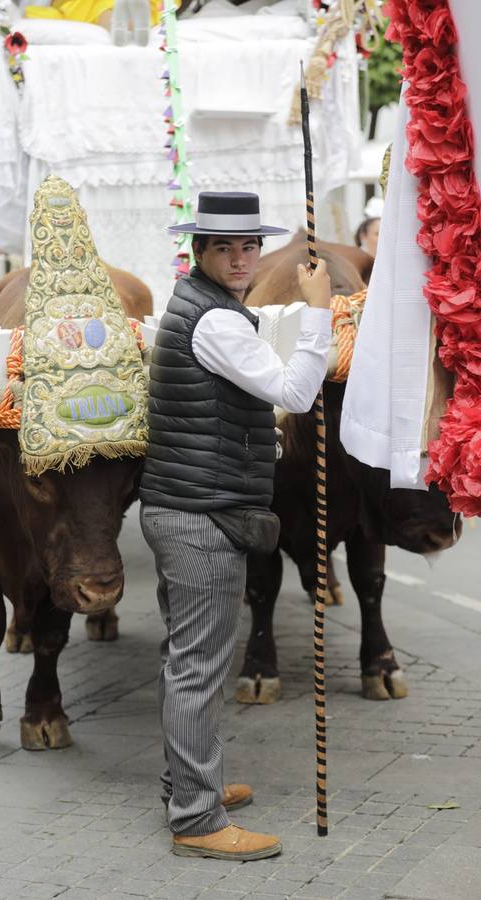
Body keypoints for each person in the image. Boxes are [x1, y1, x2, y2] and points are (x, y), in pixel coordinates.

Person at [139, 191, 332, 861]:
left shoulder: (204, 306)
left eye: (249, 245)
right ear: (201, 251)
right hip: (201, 518)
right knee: (198, 669)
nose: (241, 257)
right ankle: (196, 818)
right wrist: (319, 310)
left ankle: (188, 786)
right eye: (225, 247)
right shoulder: (217, 323)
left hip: (185, 508)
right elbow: (297, 394)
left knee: (184, 663)